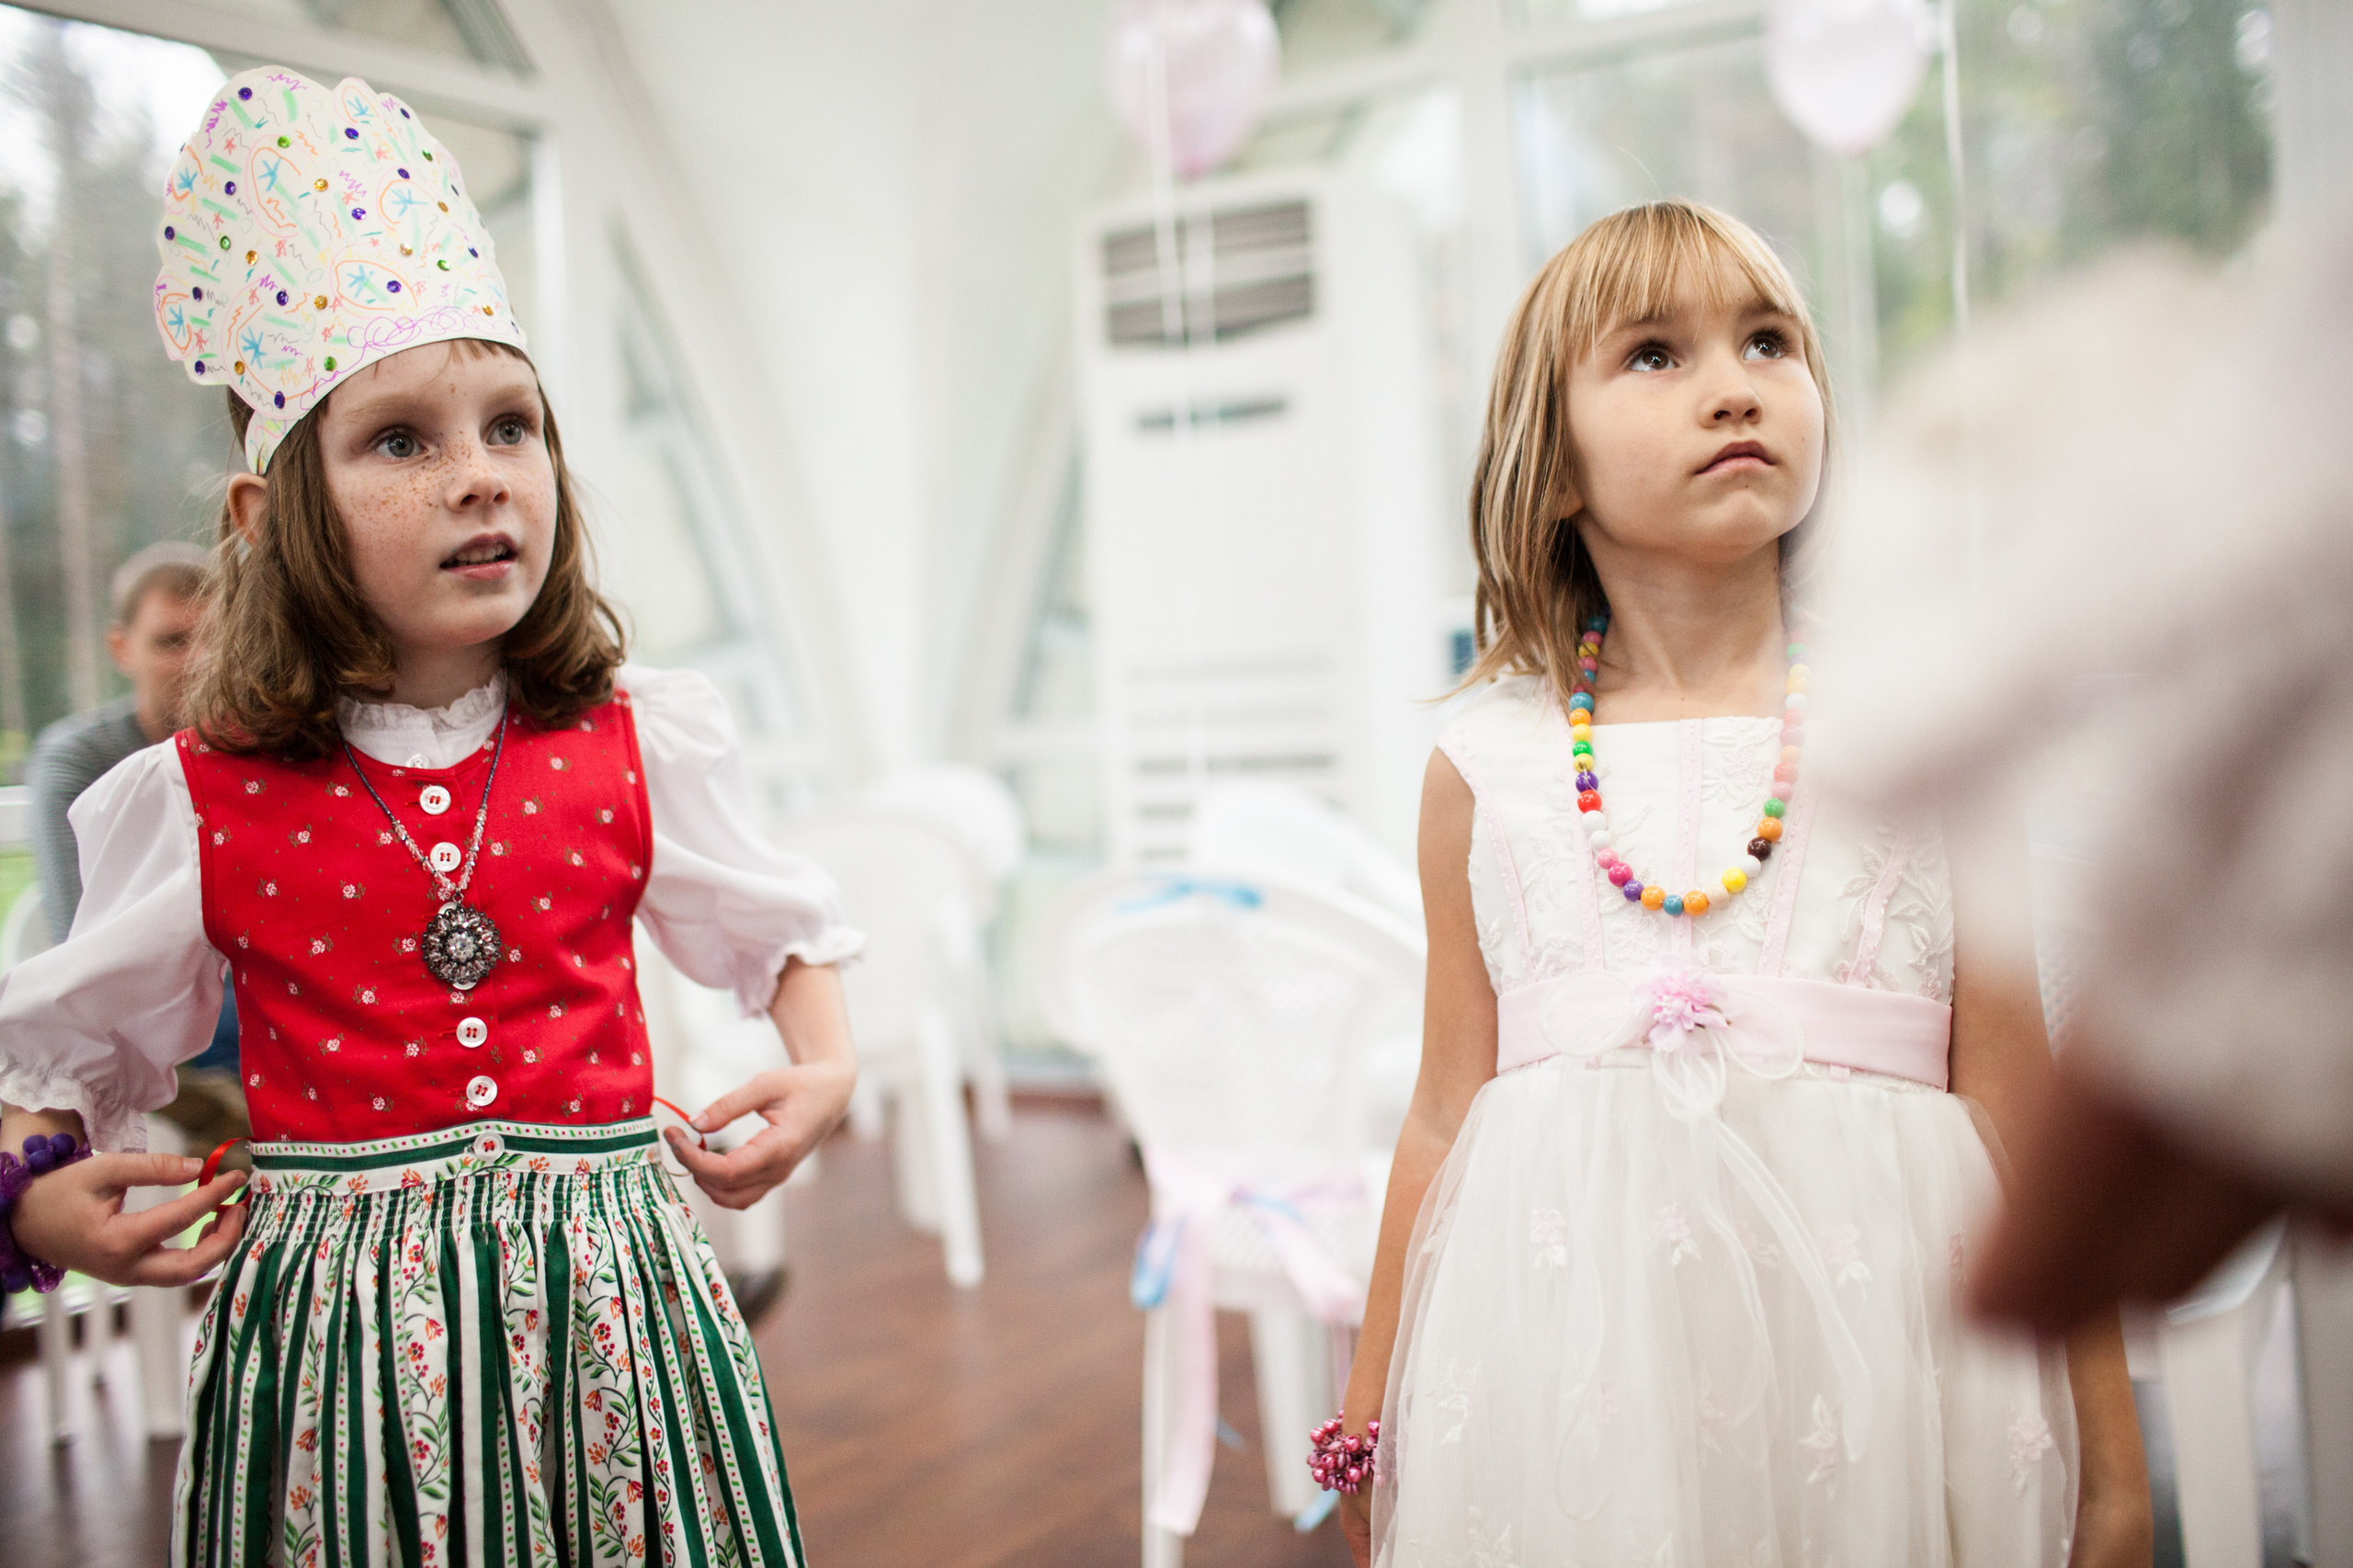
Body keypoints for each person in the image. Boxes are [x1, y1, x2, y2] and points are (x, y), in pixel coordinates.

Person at [0, 68, 860, 1566]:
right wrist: (38, 1200)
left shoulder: (639, 733)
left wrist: (824, 1065)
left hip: (616, 1328)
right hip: (344, 1349)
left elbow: (781, 929)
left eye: (512, 426)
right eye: (402, 440)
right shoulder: (196, 798)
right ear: (278, 516)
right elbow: (66, 1053)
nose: (478, 475)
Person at [1324, 202, 2151, 1567]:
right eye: (1656, 354)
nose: (1733, 385)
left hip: (1892, 1354)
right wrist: (1371, 1399)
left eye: (1770, 341)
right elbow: (1438, 1107)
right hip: (1576, 1358)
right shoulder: (1486, 762)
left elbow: (2021, 1106)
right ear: (1557, 465)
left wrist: (2115, 1470)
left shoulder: (1931, 727)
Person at [24, 541, 247, 1153]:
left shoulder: (262, 752)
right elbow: (88, 937)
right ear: (121, 648)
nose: (201, 659)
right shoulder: (80, 759)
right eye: (173, 641)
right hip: (155, 1008)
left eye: (218, 637)